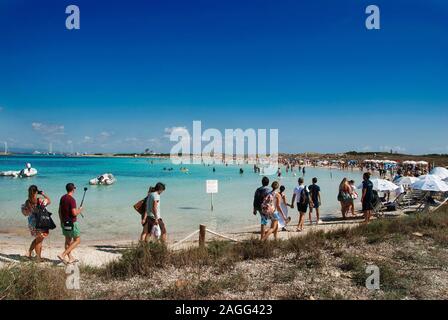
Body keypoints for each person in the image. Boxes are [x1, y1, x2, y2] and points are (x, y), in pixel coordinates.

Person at [22, 185, 51, 261]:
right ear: (36, 192)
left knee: (37, 239)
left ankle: (29, 253)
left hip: (32, 223)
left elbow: (25, 213)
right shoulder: (40, 200)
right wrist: (42, 193)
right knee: (39, 241)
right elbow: (49, 201)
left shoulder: (27, 202)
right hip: (40, 223)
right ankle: (38, 258)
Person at [58, 183, 83, 264]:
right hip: (72, 223)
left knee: (68, 240)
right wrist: (80, 210)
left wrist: (61, 221)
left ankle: (70, 258)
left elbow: (59, 211)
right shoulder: (72, 199)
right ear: (73, 189)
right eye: (74, 188)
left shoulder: (62, 197)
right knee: (77, 240)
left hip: (64, 222)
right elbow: (74, 213)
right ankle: (63, 254)